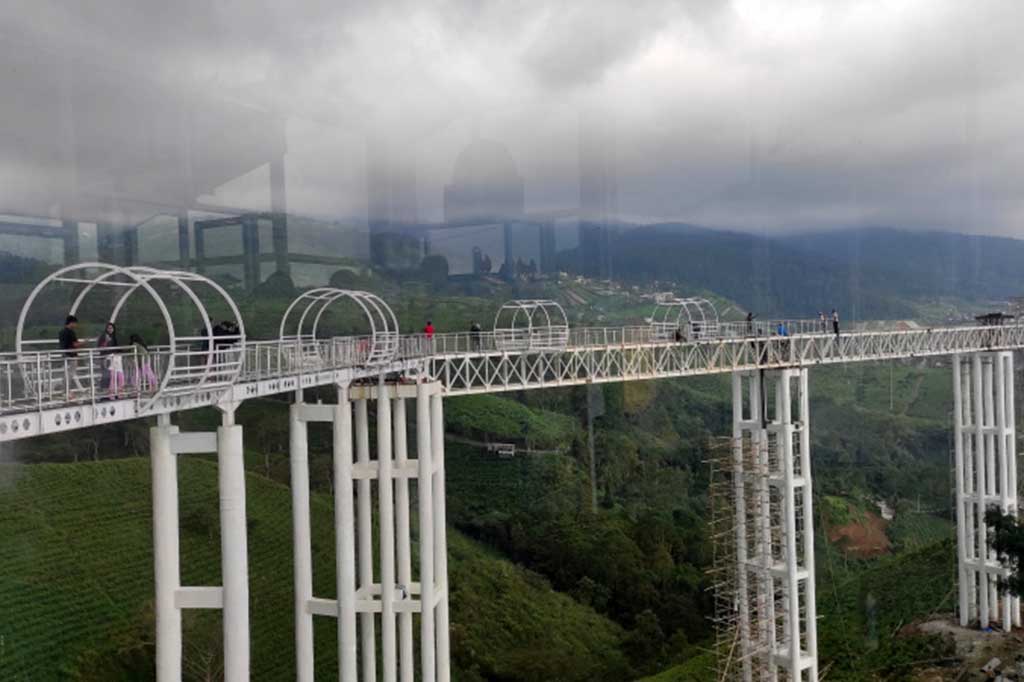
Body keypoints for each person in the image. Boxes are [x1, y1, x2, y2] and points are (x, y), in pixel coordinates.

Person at [96, 322, 124, 398]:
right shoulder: (104, 336)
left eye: (111, 328)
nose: (110, 329)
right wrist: (106, 341)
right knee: (109, 375)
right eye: (108, 328)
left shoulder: (115, 336)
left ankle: (117, 392)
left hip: (115, 358)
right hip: (106, 358)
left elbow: (119, 347)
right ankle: (109, 393)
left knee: (116, 375)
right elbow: (99, 347)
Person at [59, 315, 84, 394]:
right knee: (71, 373)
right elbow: (75, 344)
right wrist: (84, 342)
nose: (76, 325)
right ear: (71, 323)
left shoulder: (61, 332)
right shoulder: (71, 332)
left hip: (64, 354)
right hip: (72, 355)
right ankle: (67, 391)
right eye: (75, 323)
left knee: (66, 373)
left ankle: (64, 390)